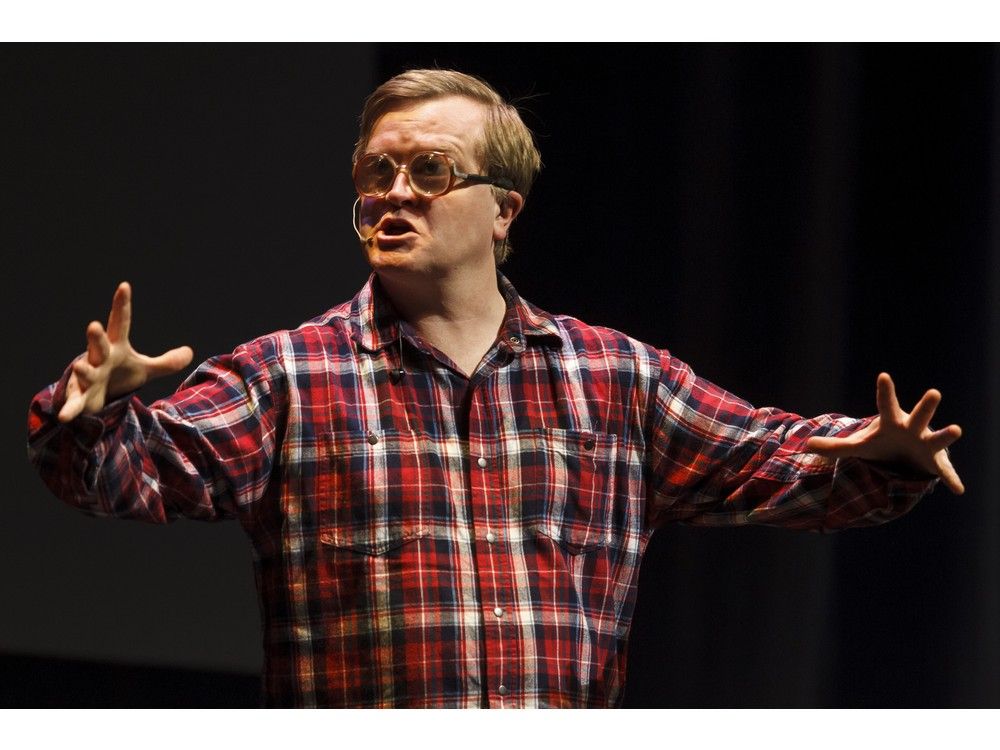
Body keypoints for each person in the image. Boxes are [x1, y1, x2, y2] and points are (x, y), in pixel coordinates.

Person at [27, 69, 964, 708]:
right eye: (374, 175)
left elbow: (780, 459)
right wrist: (97, 411)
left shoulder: (616, 380)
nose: (393, 192)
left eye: (428, 171)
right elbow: (132, 471)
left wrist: (882, 453)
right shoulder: (290, 376)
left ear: (503, 209)